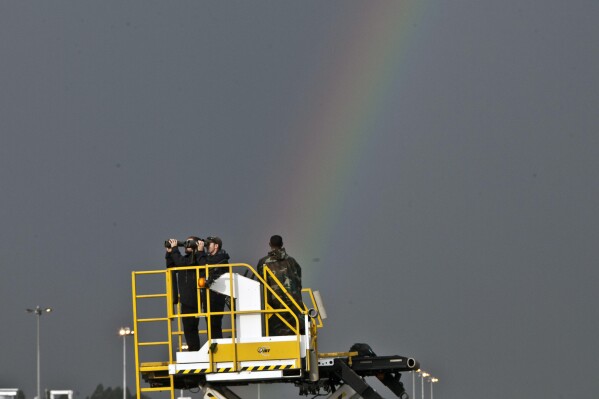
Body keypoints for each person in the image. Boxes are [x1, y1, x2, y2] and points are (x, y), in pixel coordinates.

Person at [256, 235, 303, 335]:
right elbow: (299, 283)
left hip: (275, 310)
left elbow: (261, 285)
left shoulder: (263, 263)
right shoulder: (292, 261)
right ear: (282, 244)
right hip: (294, 309)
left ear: (270, 244)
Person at [165, 237, 206, 351]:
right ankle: (194, 350)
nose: (186, 245)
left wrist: (175, 249)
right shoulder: (187, 259)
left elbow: (183, 264)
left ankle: (194, 350)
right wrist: (169, 253)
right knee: (188, 328)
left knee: (191, 327)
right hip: (186, 299)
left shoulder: (197, 258)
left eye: (189, 243)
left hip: (194, 298)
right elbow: (171, 267)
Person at [203, 236, 230, 339]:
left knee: (215, 323)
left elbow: (208, 264)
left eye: (209, 244)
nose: (207, 246)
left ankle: (217, 345)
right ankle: (213, 343)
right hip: (208, 294)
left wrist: (201, 252)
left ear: (216, 246)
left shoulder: (222, 258)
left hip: (217, 295)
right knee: (209, 323)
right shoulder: (209, 257)